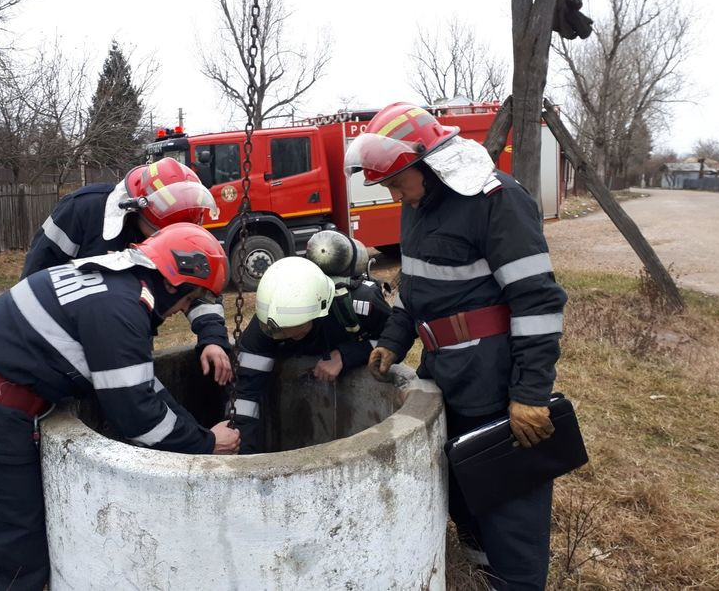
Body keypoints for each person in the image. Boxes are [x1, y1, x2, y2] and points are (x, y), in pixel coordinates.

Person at [0, 223, 240, 591]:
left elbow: (141, 384)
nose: (178, 311)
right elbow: (139, 416)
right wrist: (206, 444)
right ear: (171, 283)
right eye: (187, 299)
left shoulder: (109, 281)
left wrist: (197, 433)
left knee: (20, 547)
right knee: (16, 562)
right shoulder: (120, 309)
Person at [346, 102, 568, 591]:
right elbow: (415, 285)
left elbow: (537, 300)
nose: (392, 193)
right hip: (443, 372)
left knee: (509, 498)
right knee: (462, 484)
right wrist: (393, 339)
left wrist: (530, 394)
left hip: (493, 378)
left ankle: (515, 582)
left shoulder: (496, 199)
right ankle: (481, 566)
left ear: (431, 162)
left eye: (397, 180)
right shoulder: (419, 206)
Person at [217, 255, 391, 454]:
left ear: (318, 311)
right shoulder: (266, 326)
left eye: (294, 328)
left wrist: (346, 355)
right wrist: (241, 454)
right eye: (277, 329)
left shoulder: (361, 303)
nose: (281, 335)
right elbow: (244, 393)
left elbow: (394, 341)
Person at [21, 158, 217, 278]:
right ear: (139, 209)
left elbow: (198, 286)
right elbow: (36, 274)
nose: (168, 245)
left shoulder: (183, 228)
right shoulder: (81, 209)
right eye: (164, 236)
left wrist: (212, 338)